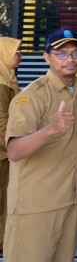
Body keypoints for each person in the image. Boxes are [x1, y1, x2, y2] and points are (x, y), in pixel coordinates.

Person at [0, 29, 77, 262]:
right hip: (35, 205)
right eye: (61, 53)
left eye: (76, 52)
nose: (70, 59)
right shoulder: (31, 97)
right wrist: (51, 130)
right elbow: (14, 151)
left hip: (69, 200)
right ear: (46, 57)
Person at [0, 37, 22, 250]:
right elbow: (1, 120)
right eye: (16, 52)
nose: (20, 56)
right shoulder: (1, 84)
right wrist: (9, 147)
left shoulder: (8, 79)